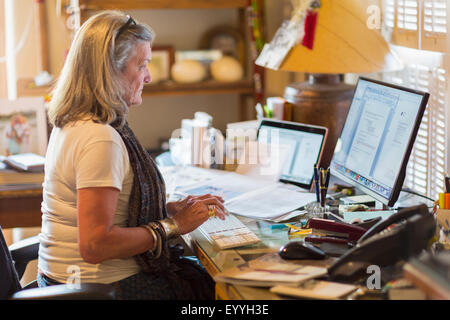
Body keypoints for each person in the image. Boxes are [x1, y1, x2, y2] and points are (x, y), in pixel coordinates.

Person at [37, 11, 226, 300]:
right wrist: (174, 226)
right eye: (142, 65)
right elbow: (95, 245)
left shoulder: (74, 122)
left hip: (64, 281)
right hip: (100, 289)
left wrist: (170, 209)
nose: (149, 76)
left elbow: (108, 212)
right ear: (110, 71)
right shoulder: (99, 138)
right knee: (226, 291)